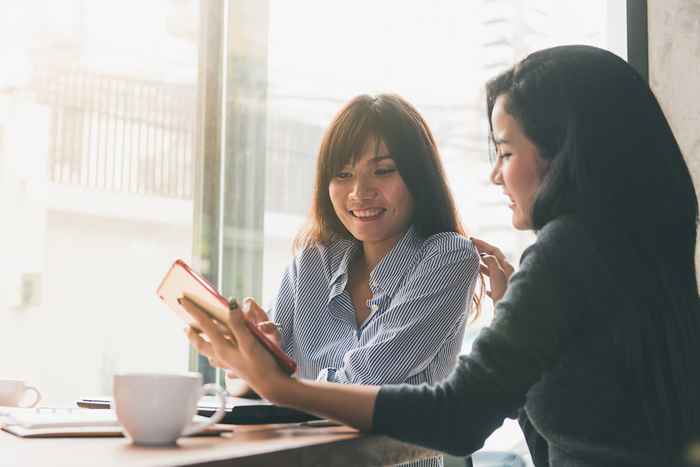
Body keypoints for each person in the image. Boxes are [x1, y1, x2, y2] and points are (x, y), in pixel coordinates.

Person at [182, 45, 700, 466]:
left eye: (505, 152)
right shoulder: (642, 253)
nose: (497, 174)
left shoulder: (562, 251)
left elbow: (458, 416)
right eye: (343, 174)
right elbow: (576, 434)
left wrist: (285, 385)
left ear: (563, 151)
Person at [200, 94, 481, 467]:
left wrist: (279, 379)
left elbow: (367, 386)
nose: (359, 192)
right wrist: (253, 358)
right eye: (343, 174)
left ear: (418, 175)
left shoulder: (448, 256)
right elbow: (260, 394)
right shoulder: (313, 260)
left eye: (383, 170)